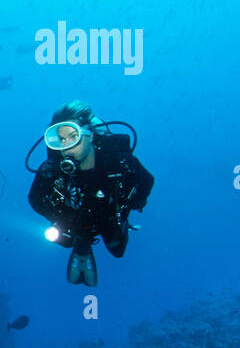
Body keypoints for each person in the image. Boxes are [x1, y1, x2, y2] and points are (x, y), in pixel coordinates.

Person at [27, 100, 154, 286]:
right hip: (74, 219)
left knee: (117, 250)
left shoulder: (121, 162)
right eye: (61, 140)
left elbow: (147, 181)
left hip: (110, 215)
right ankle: (82, 245)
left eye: (73, 136)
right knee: (65, 240)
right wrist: (60, 218)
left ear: (90, 136)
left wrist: (133, 204)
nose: (67, 146)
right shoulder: (51, 170)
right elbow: (35, 199)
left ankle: (111, 232)